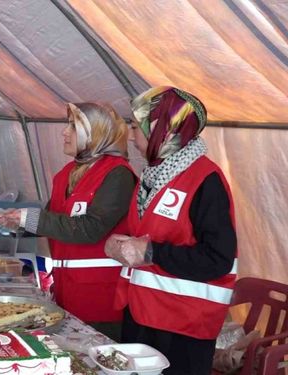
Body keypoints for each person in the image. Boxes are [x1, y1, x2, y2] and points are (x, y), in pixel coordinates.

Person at [104, 86, 237, 375]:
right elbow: (148, 234)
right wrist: (121, 245)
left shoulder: (205, 180)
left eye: (137, 126)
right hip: (143, 315)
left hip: (183, 326)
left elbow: (218, 259)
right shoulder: (154, 174)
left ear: (165, 130)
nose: (130, 135)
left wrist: (151, 252)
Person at [0, 102, 136, 338]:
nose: (64, 132)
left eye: (73, 126)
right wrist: (17, 223)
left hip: (101, 300)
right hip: (66, 292)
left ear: (96, 134)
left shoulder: (118, 174)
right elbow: (53, 221)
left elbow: (91, 228)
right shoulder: (67, 174)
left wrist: (30, 219)